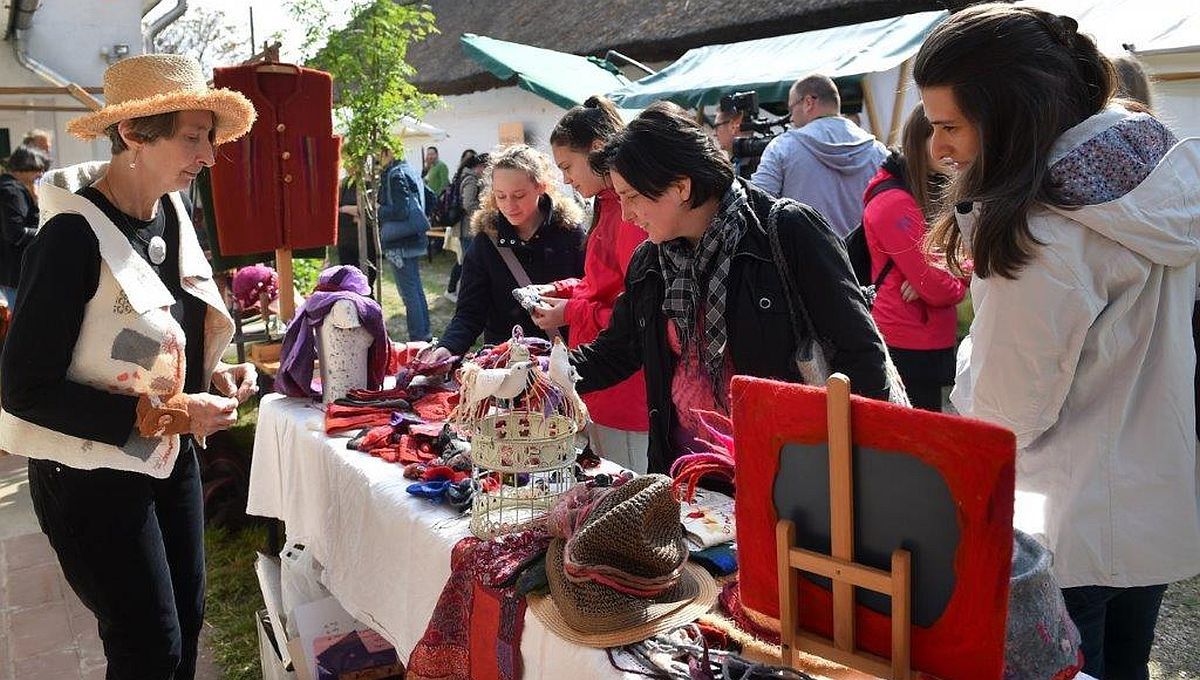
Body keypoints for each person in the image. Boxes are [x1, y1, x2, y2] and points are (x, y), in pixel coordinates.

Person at [914, 5, 1200, 678]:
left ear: (1011, 113)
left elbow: (1007, 414)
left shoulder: (1046, 233)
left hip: (1066, 522)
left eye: (949, 125)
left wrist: (969, 361)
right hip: (1153, 494)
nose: (937, 150)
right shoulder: (1156, 174)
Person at [0, 54, 259, 680]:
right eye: (193, 138)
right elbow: (22, 388)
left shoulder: (171, 213)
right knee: (149, 645)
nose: (207, 155)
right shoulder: (69, 239)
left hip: (166, 459)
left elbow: (154, 336)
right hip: (88, 476)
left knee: (188, 621)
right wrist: (170, 414)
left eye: (210, 138)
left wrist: (206, 378)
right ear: (134, 134)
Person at [571, 102, 895, 475]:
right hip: (690, 478)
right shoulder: (652, 261)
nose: (626, 214)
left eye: (631, 197)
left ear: (681, 187)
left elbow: (863, 359)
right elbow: (618, 349)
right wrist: (546, 376)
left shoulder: (788, 232)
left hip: (789, 474)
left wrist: (853, 470)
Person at [531, 95, 650, 472]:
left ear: (597, 149)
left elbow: (635, 309)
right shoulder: (609, 203)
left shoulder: (629, 211)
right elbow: (602, 283)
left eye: (567, 166)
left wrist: (570, 309)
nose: (565, 179)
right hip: (604, 386)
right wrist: (563, 291)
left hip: (626, 392)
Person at [422, 145, 586, 359]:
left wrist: (567, 312)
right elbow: (470, 313)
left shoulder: (570, 233)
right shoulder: (485, 242)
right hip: (505, 368)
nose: (509, 205)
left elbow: (591, 294)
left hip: (565, 362)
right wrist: (448, 348)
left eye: (519, 195)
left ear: (541, 187)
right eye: (501, 196)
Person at [861, 105, 967, 412]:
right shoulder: (894, 201)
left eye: (954, 131)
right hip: (906, 341)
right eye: (939, 132)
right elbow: (937, 287)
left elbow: (969, 260)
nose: (948, 147)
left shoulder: (927, 189)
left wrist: (949, 270)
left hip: (926, 337)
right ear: (919, 140)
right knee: (917, 441)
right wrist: (956, 283)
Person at [751, 74, 888, 238]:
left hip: (806, 260)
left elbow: (756, 208)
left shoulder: (782, 147)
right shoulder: (878, 152)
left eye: (791, 109)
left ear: (808, 102)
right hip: (866, 260)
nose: (791, 118)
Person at [378, 145, 431, 341]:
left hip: (399, 241)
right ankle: (424, 333)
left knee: (409, 292)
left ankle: (418, 337)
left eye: (379, 153)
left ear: (388, 152)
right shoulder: (410, 169)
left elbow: (400, 211)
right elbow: (431, 195)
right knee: (415, 288)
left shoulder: (394, 174)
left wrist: (378, 210)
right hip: (414, 237)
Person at [0, 145, 51, 305]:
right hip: (16, 272)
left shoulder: (8, 186)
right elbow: (16, 233)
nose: (41, 175)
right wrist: (47, 232)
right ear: (26, 166)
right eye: (39, 169)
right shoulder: (12, 191)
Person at [445, 149, 480, 299]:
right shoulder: (471, 178)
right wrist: (482, 214)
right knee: (467, 264)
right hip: (466, 228)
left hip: (463, 228)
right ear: (479, 166)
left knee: (464, 262)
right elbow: (468, 204)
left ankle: (457, 291)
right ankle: (461, 294)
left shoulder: (463, 174)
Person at [336, 171, 378, 289]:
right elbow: (336, 212)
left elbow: (368, 212)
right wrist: (350, 211)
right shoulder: (343, 185)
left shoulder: (368, 184)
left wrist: (346, 209)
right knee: (349, 281)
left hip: (366, 241)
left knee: (367, 283)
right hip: (345, 241)